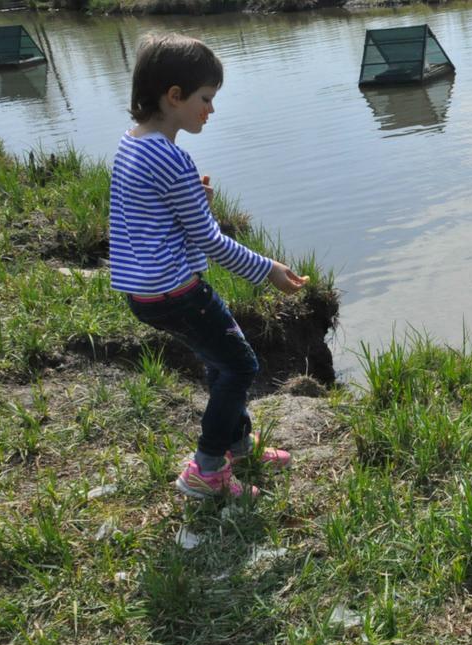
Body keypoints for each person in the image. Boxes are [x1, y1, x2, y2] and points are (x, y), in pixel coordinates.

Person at [109, 33, 307, 499]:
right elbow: (210, 241)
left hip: (145, 294)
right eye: (205, 99)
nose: (211, 111)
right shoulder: (173, 158)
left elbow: (145, 214)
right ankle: (207, 469)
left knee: (219, 359)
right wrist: (269, 269)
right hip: (178, 293)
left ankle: (236, 442)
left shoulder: (132, 143)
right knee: (240, 366)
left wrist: (192, 200)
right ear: (173, 96)